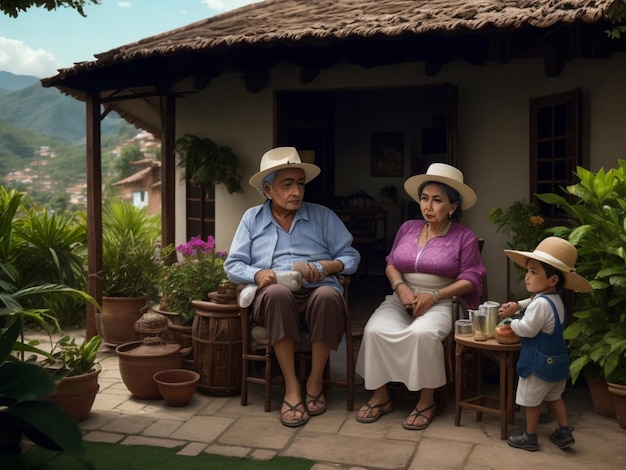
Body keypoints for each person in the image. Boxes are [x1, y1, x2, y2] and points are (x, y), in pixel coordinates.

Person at [224, 147, 360, 428]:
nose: (297, 191)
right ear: (267, 189)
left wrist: (326, 267)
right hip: (274, 294)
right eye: (287, 184)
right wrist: (259, 273)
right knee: (277, 293)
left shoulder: (323, 216)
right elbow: (233, 266)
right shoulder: (252, 219)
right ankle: (291, 388)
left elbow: (351, 257)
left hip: (316, 287)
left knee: (326, 295)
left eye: (300, 183)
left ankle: (313, 383)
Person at [355, 163, 485, 430]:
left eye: (437, 200)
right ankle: (381, 396)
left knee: (422, 334)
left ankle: (427, 401)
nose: (428, 206)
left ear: (453, 206)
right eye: (424, 198)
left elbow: (472, 279)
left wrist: (435, 296)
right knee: (375, 330)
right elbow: (391, 262)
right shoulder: (408, 228)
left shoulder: (464, 237)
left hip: (443, 302)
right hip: (401, 296)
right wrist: (400, 286)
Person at [499, 236, 592, 452]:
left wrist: (512, 323)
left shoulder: (539, 304)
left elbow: (528, 329)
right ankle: (564, 430)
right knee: (555, 397)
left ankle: (530, 436)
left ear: (552, 280)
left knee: (531, 401)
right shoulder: (554, 299)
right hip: (557, 362)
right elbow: (531, 302)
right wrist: (517, 305)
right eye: (528, 271)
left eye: (533, 272)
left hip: (537, 365)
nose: (527, 277)